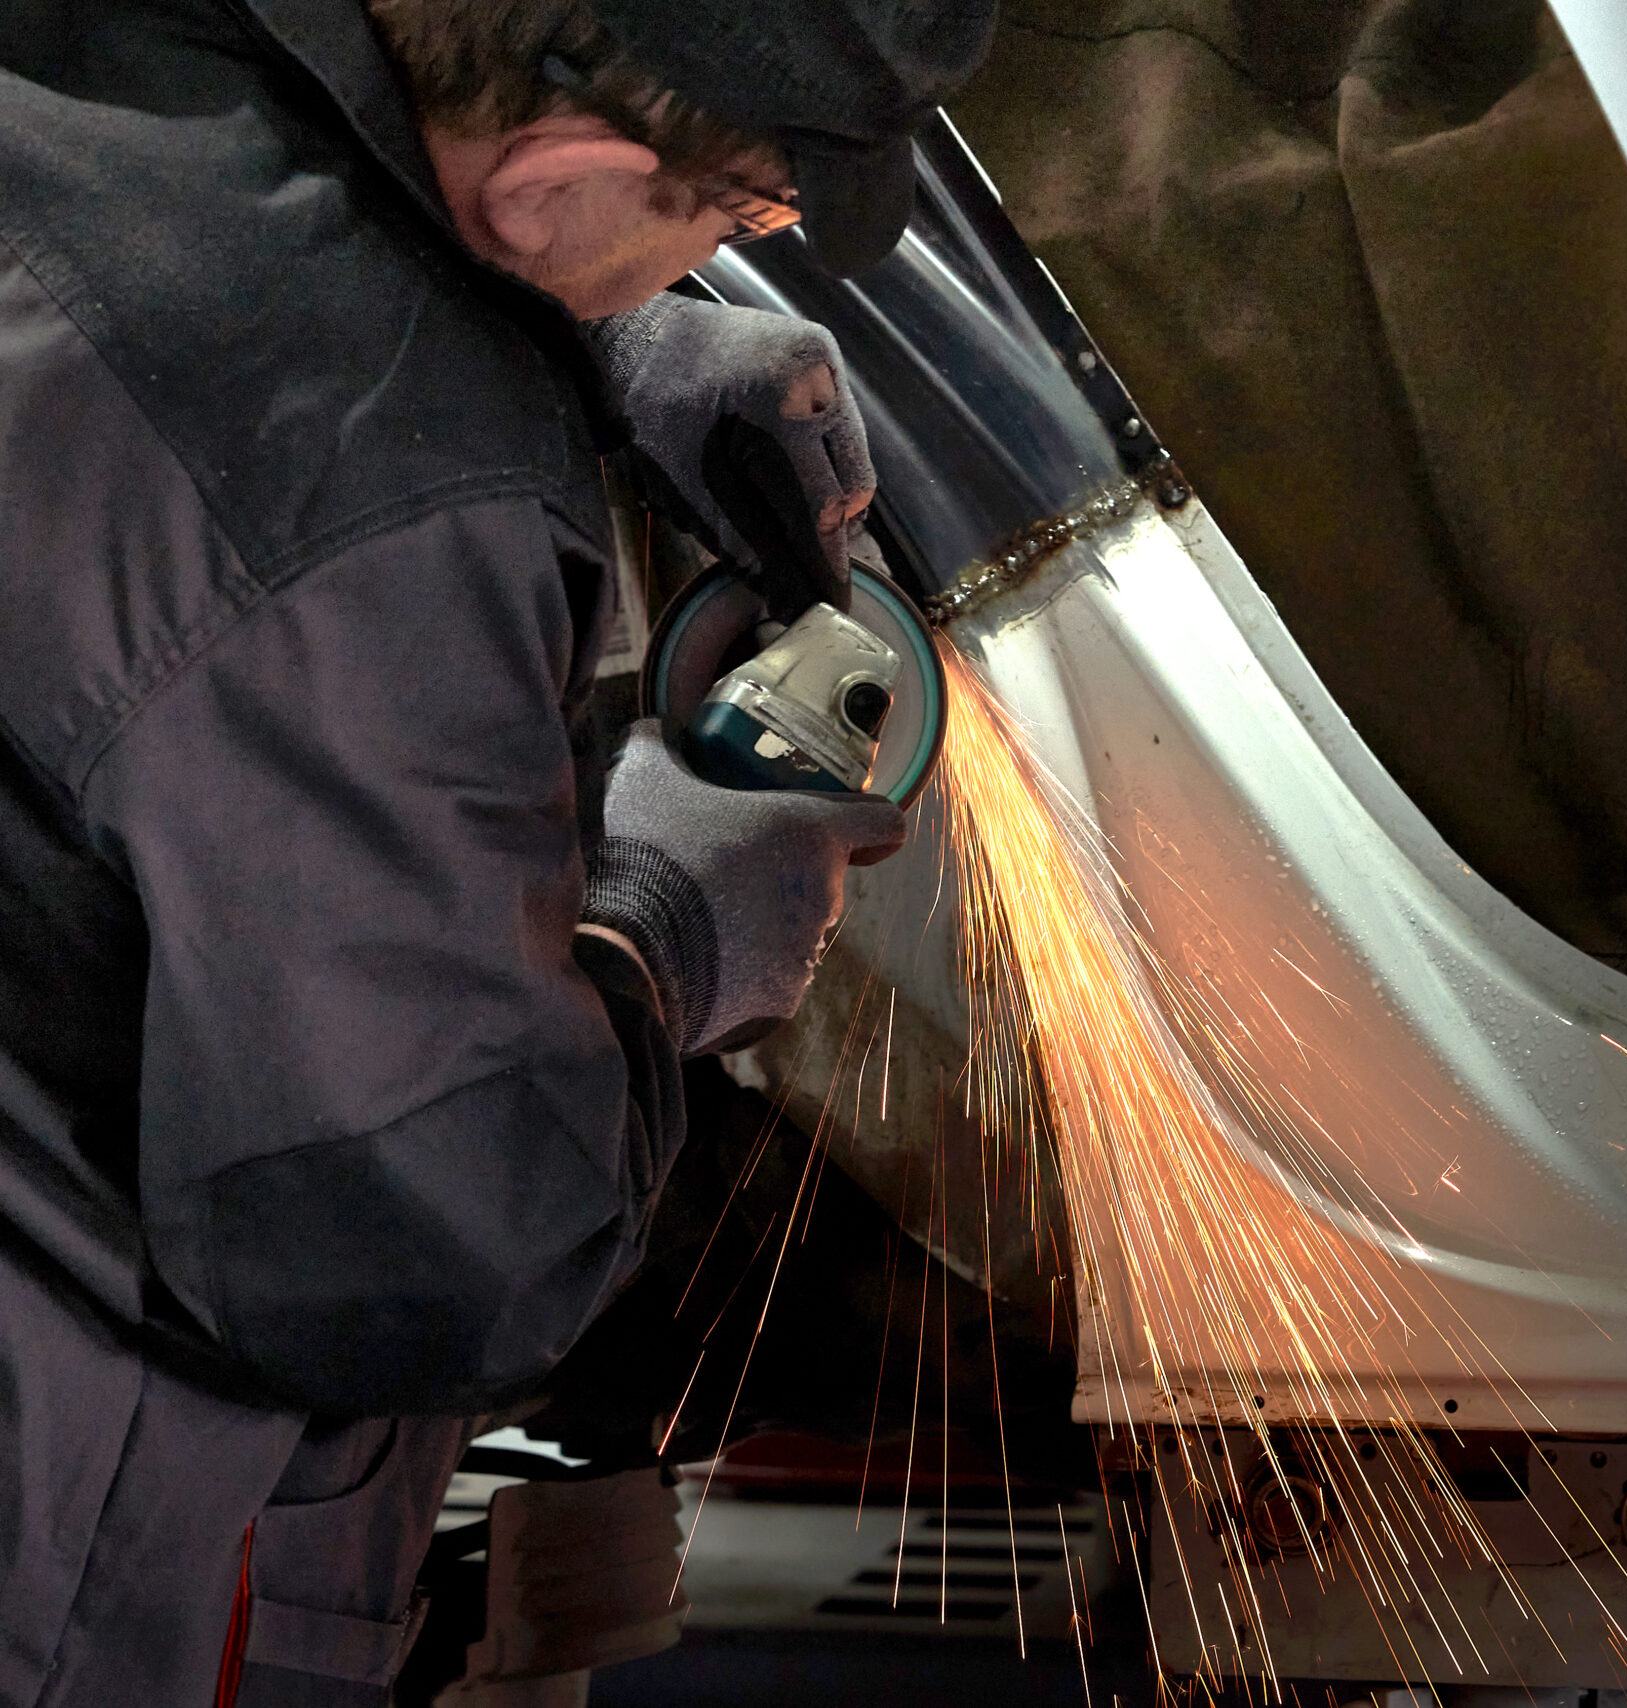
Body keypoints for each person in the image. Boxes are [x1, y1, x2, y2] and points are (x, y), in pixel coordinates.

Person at [0, 0, 993, 1700]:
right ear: (547, 182)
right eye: (736, 214)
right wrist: (667, 929)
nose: (731, 255)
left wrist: (586, 342)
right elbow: (424, 1257)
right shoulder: (374, 502)